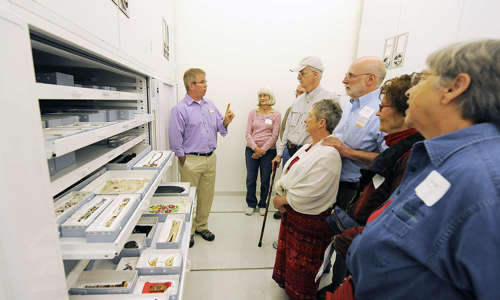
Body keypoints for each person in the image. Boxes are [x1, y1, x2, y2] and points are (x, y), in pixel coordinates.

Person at [339, 40, 500, 300]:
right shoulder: (443, 158)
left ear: (454, 87)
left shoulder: (484, 181)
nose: (411, 92)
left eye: (421, 78)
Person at [316, 74, 424, 300]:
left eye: (383, 107)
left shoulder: (411, 156)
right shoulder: (350, 108)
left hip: (367, 243)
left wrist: (356, 237)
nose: (377, 112)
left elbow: (395, 219)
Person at [320, 56, 387, 291]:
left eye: (350, 75)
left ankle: (339, 290)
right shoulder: (347, 105)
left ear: (370, 79)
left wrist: (346, 151)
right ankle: (322, 274)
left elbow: (389, 160)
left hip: (354, 189)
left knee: (344, 242)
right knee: (327, 235)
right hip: (332, 182)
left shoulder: (383, 112)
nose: (344, 80)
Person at [272, 99, 343, 300]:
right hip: (293, 214)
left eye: (309, 116)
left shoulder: (329, 154)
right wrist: (281, 191)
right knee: (290, 259)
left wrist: (283, 200)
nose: (305, 120)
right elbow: (290, 174)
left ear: (321, 122)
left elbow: (313, 191)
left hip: (310, 220)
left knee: (303, 266)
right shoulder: (310, 146)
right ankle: (287, 284)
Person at [168, 68, 235, 248]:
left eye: (206, 82)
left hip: (210, 158)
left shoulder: (210, 105)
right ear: (191, 85)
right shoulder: (180, 109)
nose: (206, 85)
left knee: (206, 196)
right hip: (191, 160)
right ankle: (188, 231)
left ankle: (201, 226)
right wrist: (185, 161)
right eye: (203, 82)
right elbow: (175, 140)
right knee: (188, 198)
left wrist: (226, 121)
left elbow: (220, 128)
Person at [273, 56, 339, 220]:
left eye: (302, 73)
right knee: (286, 194)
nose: (298, 77)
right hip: (291, 152)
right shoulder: (299, 100)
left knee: (300, 196)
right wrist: (280, 153)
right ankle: (286, 232)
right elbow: (287, 128)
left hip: (310, 156)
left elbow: (332, 132)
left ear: (315, 74)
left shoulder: (329, 98)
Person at [244, 88, 281, 216]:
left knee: (265, 179)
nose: (262, 98)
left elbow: (275, 135)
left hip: (269, 152)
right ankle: (251, 204)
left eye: (265, 95)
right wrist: (255, 148)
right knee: (251, 178)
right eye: (260, 95)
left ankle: (262, 204)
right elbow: (248, 134)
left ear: (271, 97)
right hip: (251, 150)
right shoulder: (252, 113)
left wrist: (262, 150)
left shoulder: (276, 115)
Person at [274, 84, 306, 222]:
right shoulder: (291, 109)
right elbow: (283, 130)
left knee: (298, 180)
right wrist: (281, 151)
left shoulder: (313, 109)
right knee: (285, 179)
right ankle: (283, 208)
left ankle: (294, 208)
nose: (298, 95)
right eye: (297, 92)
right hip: (289, 148)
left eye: (302, 92)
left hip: (303, 150)